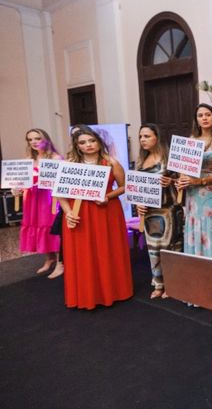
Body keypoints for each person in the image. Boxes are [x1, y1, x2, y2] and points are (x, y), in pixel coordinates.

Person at [59, 126, 133, 309]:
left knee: (106, 250)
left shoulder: (111, 162)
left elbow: (125, 187)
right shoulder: (69, 164)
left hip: (105, 212)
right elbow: (59, 192)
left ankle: (112, 291)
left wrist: (108, 196)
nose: (88, 145)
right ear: (77, 146)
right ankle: (86, 295)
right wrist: (68, 213)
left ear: (99, 142)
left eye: (92, 141)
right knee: (83, 253)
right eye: (83, 142)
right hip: (79, 214)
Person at [175, 103, 212, 260]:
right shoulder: (190, 140)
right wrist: (181, 181)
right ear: (196, 120)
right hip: (193, 196)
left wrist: (200, 180)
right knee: (196, 227)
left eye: (207, 114)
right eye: (200, 115)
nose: (204, 118)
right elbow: (183, 170)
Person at [135, 124, 184, 299]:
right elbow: (136, 188)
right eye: (141, 136)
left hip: (169, 210)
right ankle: (158, 283)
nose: (143, 140)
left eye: (147, 136)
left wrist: (171, 181)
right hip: (150, 213)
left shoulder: (170, 159)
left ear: (157, 137)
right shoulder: (141, 161)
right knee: (153, 250)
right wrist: (138, 205)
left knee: (171, 249)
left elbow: (184, 183)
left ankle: (173, 284)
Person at [14, 129, 62, 277]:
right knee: (37, 227)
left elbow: (61, 181)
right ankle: (49, 258)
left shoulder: (56, 158)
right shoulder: (28, 159)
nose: (34, 142)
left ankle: (61, 262)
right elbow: (20, 181)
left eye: (37, 138)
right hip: (32, 200)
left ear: (46, 139)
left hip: (48, 199)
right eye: (30, 139)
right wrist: (16, 189)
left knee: (52, 228)